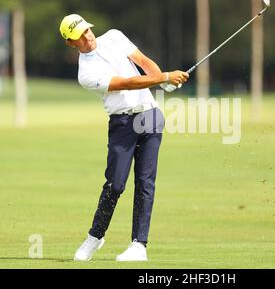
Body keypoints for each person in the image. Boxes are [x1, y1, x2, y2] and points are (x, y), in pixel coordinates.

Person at [59, 14, 189, 261]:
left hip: (150, 116)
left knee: (145, 183)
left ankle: (139, 245)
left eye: (87, 30)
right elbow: (128, 84)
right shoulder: (86, 72)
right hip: (123, 124)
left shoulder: (114, 36)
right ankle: (95, 237)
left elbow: (143, 62)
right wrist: (164, 77)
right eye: (80, 36)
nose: (87, 37)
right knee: (115, 184)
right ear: (70, 43)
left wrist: (163, 80)